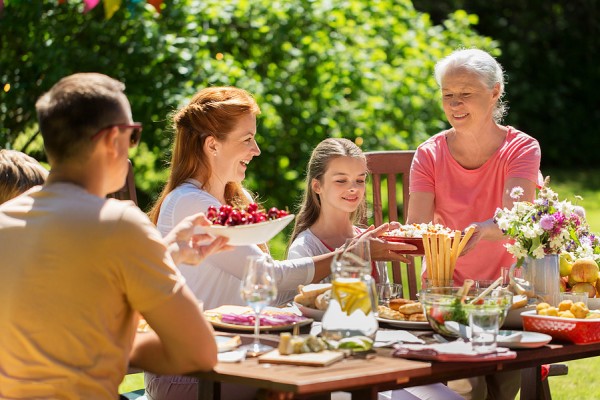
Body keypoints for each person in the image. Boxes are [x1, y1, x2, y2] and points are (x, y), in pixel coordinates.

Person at [145, 87, 415, 400]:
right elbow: (268, 276)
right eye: (247, 139)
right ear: (212, 145)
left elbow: (270, 294)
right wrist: (348, 256)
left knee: (330, 359)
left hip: (234, 353)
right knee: (319, 372)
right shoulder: (191, 203)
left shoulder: (235, 198)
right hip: (190, 374)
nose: (256, 149)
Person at [0, 73, 231, 399]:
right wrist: (105, 344)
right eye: (133, 135)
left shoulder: (5, 220)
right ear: (113, 140)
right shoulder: (121, 225)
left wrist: (168, 253)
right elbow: (198, 352)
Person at [407, 48, 541, 400]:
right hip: (445, 294)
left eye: (465, 94)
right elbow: (417, 226)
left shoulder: (521, 148)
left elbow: (518, 216)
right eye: (447, 95)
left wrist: (481, 231)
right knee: (470, 382)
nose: (454, 103)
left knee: (501, 380)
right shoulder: (429, 153)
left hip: (508, 295)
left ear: (495, 91)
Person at [288, 137, 462, 400]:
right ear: (317, 186)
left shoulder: (371, 239)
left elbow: (384, 304)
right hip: (335, 370)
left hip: (384, 357)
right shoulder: (305, 248)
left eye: (360, 180)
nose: (353, 188)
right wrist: (360, 252)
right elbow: (300, 321)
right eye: (341, 180)